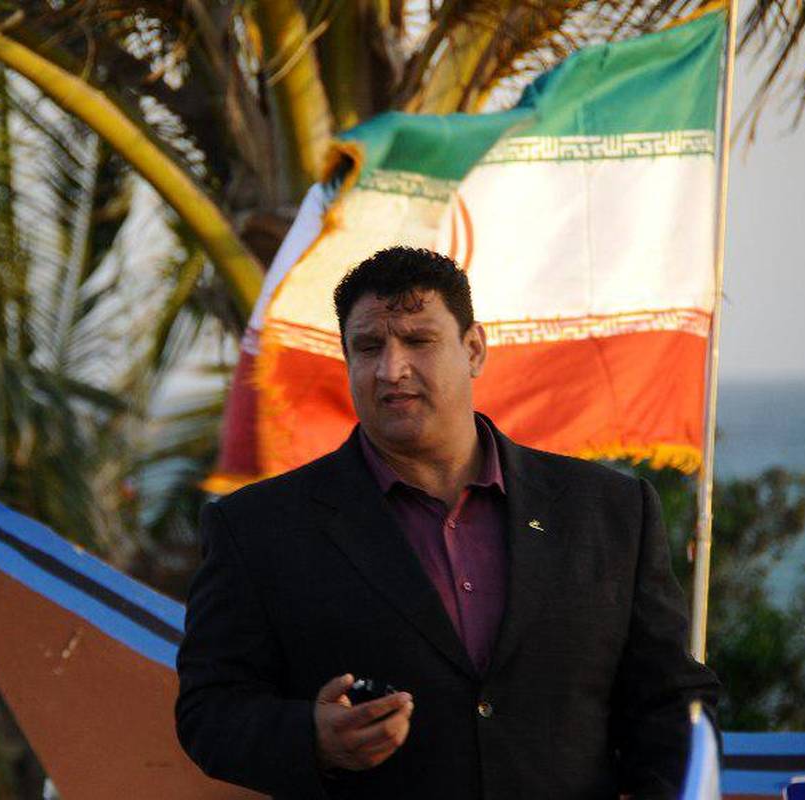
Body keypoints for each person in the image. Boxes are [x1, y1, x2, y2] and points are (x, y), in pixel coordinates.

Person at [175, 246, 720, 799]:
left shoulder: (609, 510)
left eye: (418, 340)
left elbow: (672, 703)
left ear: (474, 349)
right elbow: (209, 710)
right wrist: (313, 737)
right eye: (369, 347)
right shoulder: (258, 528)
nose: (391, 370)